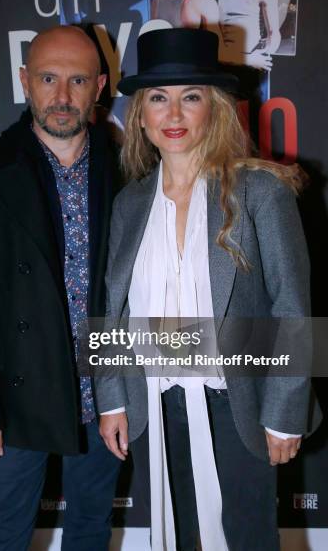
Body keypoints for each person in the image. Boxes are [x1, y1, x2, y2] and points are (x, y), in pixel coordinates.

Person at [95, 28, 321, 551]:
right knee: (182, 539)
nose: (173, 114)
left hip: (237, 406)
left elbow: (292, 307)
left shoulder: (262, 191)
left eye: (190, 97)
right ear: (141, 116)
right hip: (153, 405)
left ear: (214, 109)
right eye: (158, 98)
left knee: (248, 539)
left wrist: (286, 414)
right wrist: (111, 400)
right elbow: (113, 308)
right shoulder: (129, 203)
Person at [0, 25, 122, 551]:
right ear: (25, 81)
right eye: (47, 78)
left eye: (78, 80)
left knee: (90, 531)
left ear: (100, 86)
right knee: (4, 538)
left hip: (104, 396)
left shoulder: (129, 169)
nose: (62, 97)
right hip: (12, 399)